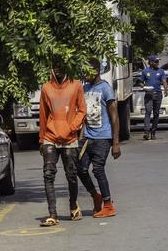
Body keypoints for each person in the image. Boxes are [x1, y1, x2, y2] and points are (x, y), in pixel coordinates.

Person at [38, 67, 86, 227]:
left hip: (69, 139)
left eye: (61, 65)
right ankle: (53, 214)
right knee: (48, 174)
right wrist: (41, 140)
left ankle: (73, 206)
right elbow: (43, 115)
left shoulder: (76, 85)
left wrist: (73, 127)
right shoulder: (46, 88)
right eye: (54, 65)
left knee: (71, 174)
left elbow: (82, 110)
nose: (58, 69)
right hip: (50, 137)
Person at [78, 60, 119, 218]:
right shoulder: (85, 89)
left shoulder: (105, 88)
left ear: (95, 70)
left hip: (103, 137)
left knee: (98, 169)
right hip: (87, 137)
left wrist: (115, 143)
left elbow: (114, 117)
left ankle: (108, 205)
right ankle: (96, 196)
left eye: (87, 71)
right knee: (80, 168)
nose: (85, 74)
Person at [138, 56, 167, 140]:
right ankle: (146, 132)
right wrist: (143, 87)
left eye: (158, 61)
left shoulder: (161, 71)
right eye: (156, 62)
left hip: (158, 94)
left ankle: (153, 132)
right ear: (150, 62)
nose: (157, 63)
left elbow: (164, 81)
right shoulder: (145, 71)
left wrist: (165, 90)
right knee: (148, 112)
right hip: (148, 94)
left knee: (156, 113)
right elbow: (140, 82)